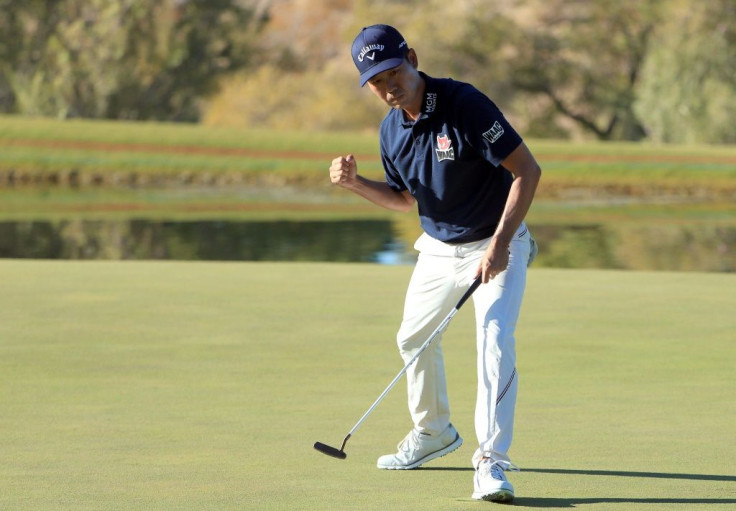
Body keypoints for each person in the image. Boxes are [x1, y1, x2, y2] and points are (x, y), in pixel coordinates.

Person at [329, 24, 541, 503]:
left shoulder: (465, 105)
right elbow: (405, 200)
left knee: (493, 341)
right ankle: (433, 433)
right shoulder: (390, 132)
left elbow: (527, 170)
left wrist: (502, 242)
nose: (388, 87)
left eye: (393, 72)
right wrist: (356, 183)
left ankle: (491, 464)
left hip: (497, 241)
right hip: (440, 248)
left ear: (413, 57)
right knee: (412, 336)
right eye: (377, 82)